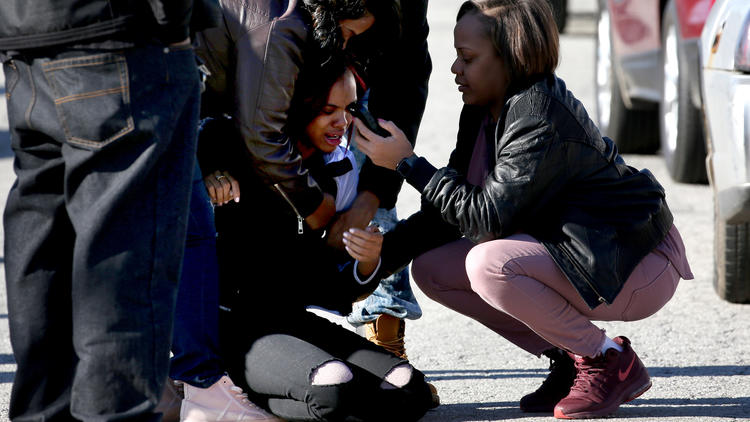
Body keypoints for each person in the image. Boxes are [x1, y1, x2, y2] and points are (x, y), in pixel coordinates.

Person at [354, 0, 694, 419]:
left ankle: (606, 359)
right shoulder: (483, 108)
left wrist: (408, 164)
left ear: (511, 59)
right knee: (432, 268)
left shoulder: (539, 115)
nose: (455, 69)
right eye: (456, 56)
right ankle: (571, 359)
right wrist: (376, 258)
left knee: (489, 265)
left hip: (634, 262)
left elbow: (488, 219)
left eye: (468, 58)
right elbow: (450, 214)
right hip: (580, 254)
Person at [0, 0, 220, 420]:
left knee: (49, 239)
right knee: (127, 257)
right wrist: (172, 22)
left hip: (28, 33)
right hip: (124, 32)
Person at [197, 57, 436, 422]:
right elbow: (195, 143)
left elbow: (330, 287)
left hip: (291, 318)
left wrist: (367, 260)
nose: (343, 122)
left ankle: (299, 390)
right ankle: (222, 395)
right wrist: (208, 174)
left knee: (408, 389)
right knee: (333, 390)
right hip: (231, 324)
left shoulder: (338, 170)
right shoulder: (230, 144)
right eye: (329, 110)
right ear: (297, 105)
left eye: (349, 109)